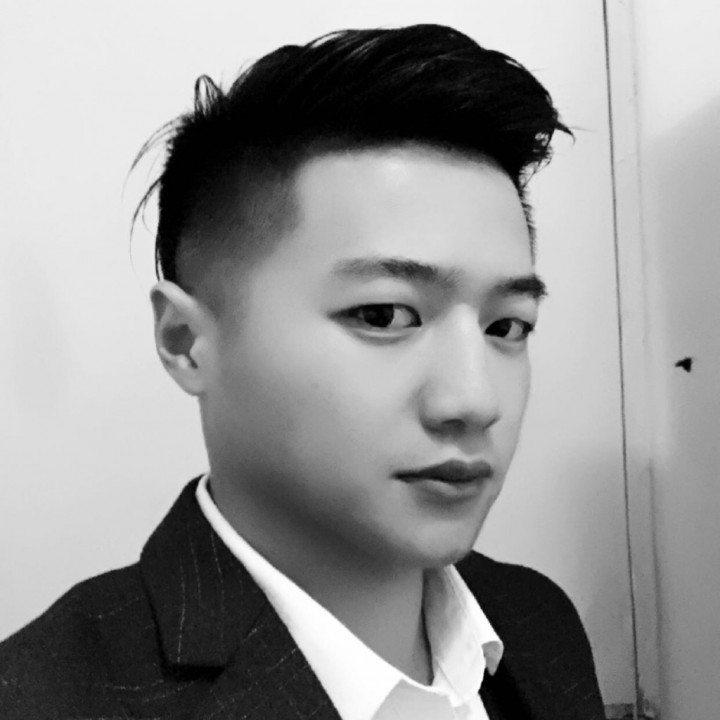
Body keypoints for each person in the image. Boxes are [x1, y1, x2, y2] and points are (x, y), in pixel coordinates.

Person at [0, 23, 605, 720]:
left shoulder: (534, 618)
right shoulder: (48, 697)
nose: (473, 400)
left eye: (506, 327)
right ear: (186, 342)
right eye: (383, 315)